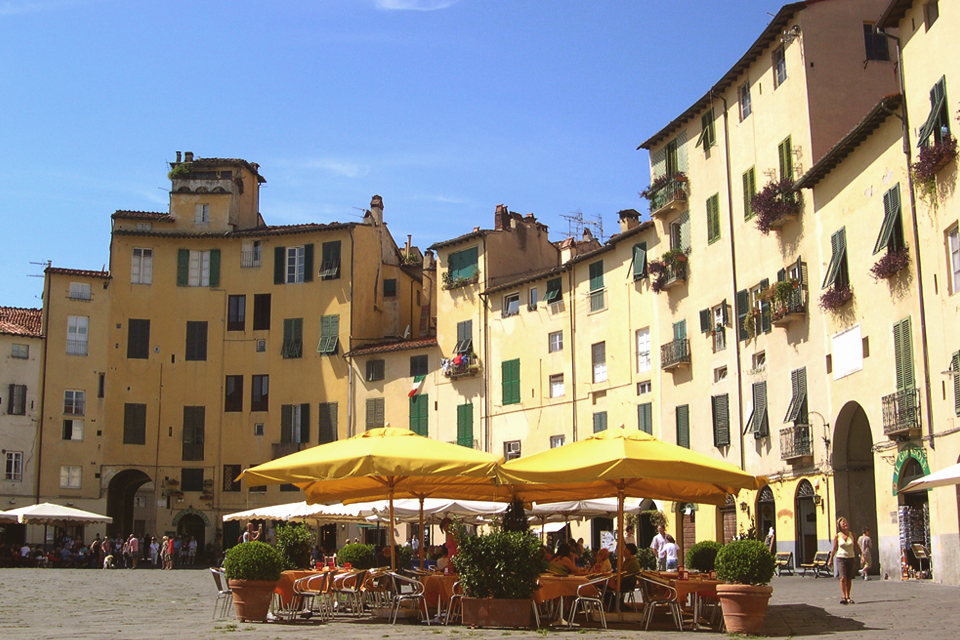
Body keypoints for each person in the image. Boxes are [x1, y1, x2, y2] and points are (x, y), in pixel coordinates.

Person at [828, 517, 862, 604]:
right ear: (839, 526)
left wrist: (862, 555)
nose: (845, 524)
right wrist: (831, 559)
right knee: (843, 578)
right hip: (841, 558)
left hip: (851, 557)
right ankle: (844, 596)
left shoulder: (852, 535)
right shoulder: (837, 536)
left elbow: (856, 545)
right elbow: (835, 548)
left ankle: (848, 596)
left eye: (846, 522)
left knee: (849, 578)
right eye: (843, 523)